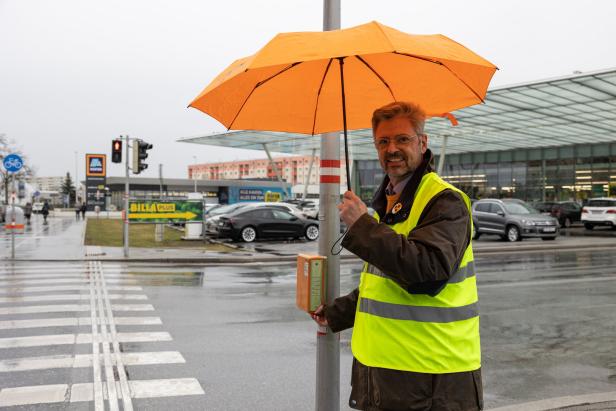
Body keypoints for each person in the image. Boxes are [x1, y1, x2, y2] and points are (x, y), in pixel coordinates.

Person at [312, 101, 481, 411]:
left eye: (402, 139)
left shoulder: (445, 200)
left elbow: (427, 272)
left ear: (422, 142)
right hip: (387, 374)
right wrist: (337, 312)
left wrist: (362, 226)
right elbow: (383, 282)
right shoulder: (390, 203)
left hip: (432, 379)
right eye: (383, 141)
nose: (392, 148)